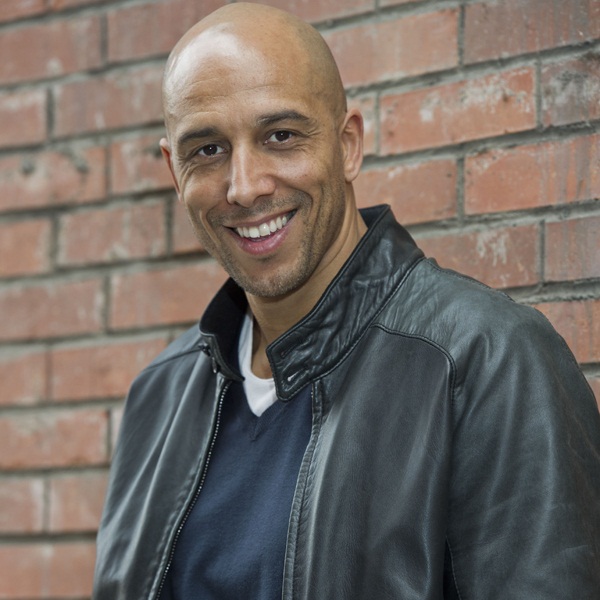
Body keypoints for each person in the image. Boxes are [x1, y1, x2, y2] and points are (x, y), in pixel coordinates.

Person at [93, 3, 600, 599]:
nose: (245, 186)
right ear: (174, 172)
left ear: (348, 144)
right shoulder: (158, 395)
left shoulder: (485, 361)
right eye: (207, 150)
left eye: (281, 136)